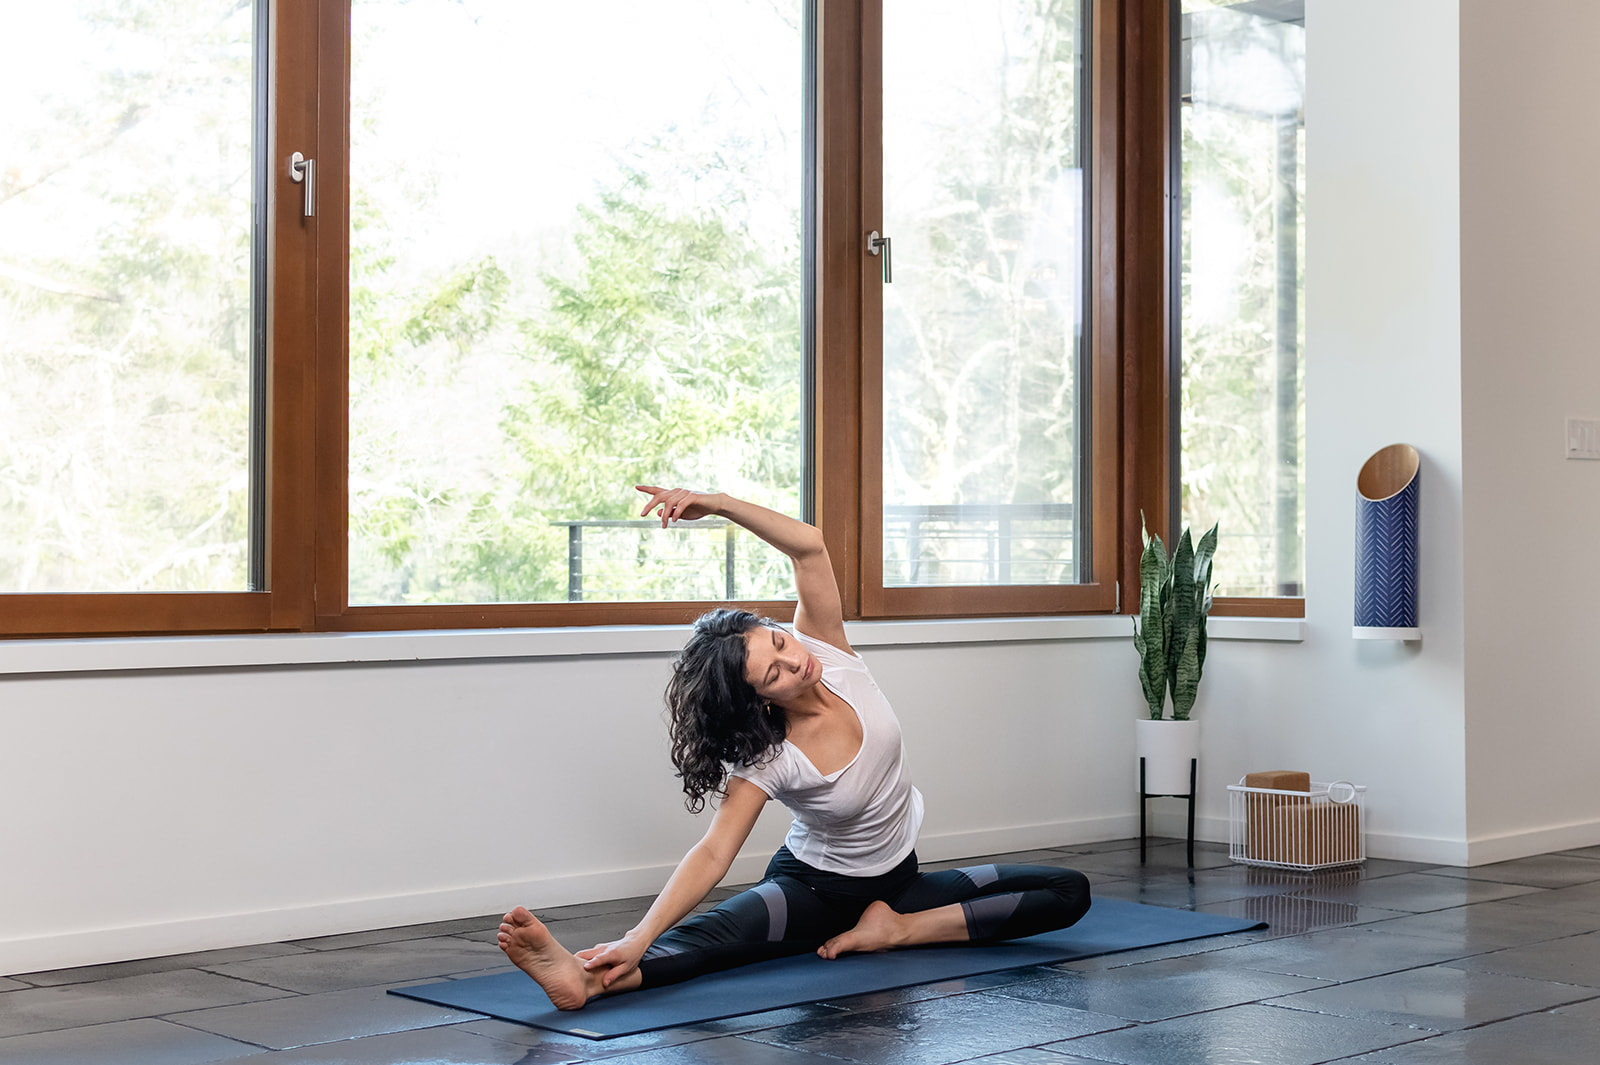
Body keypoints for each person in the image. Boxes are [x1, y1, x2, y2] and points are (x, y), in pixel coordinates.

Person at [497, 486, 1091, 1010]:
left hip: (902, 881)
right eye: (774, 672)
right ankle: (585, 980)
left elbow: (809, 546)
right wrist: (638, 936)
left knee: (1068, 892)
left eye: (778, 640)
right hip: (814, 890)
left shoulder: (827, 649)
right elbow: (713, 854)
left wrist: (719, 504)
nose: (792, 659)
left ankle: (897, 930)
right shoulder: (770, 756)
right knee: (715, 946)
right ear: (758, 700)